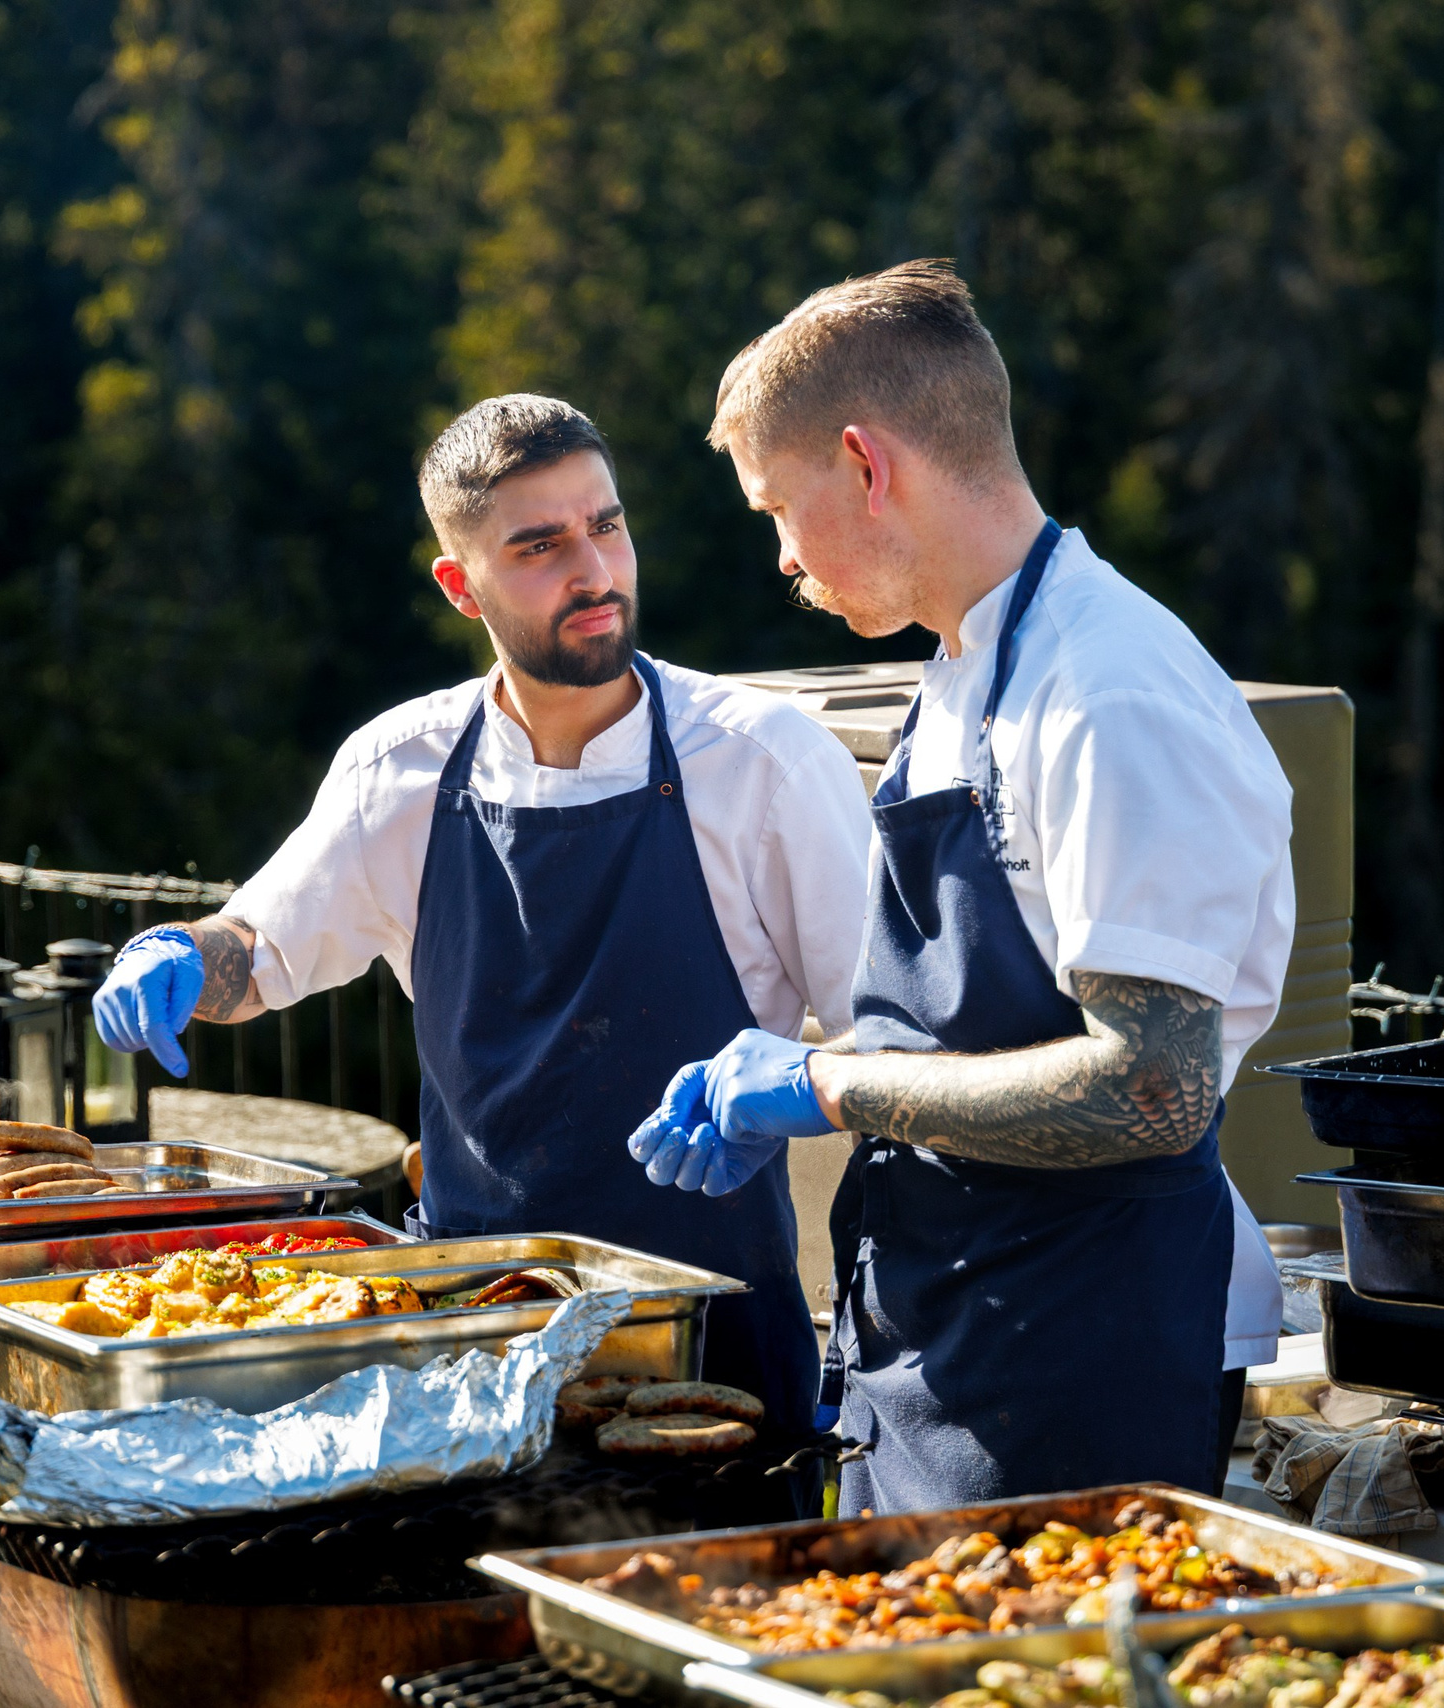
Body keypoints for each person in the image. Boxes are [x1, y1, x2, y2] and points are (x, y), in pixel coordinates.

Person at [629, 261, 1290, 1510]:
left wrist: (828, 1088)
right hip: (941, 1326)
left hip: (1084, 1356)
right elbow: (975, 1022)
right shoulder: (960, 675)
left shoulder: (1108, 694)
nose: (783, 558)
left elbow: (1153, 1087)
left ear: (864, 465)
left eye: (777, 509)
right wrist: (800, 1067)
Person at [92, 394, 871, 1429]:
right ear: (461, 586)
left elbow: (890, 1038)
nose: (593, 571)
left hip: (711, 1341)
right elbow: (257, 951)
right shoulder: (396, 768)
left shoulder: (766, 761)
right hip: (469, 1340)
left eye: (606, 525)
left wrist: (801, 1091)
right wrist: (179, 954)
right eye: (540, 546)